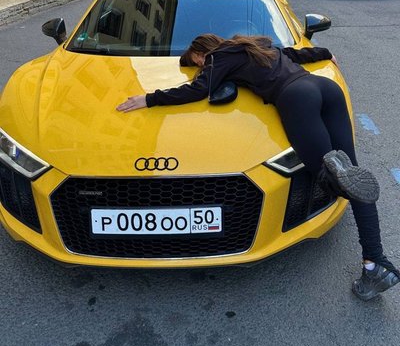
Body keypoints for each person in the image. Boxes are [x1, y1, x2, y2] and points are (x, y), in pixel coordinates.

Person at [116, 34, 400, 301]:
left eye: (196, 62)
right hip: (324, 88)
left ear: (202, 53)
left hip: (296, 97)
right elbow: (296, 54)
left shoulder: (217, 58)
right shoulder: (257, 45)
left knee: (328, 178)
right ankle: (376, 263)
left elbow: (199, 89)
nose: (200, 66)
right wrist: (326, 53)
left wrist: (149, 99)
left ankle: (333, 173)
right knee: (354, 181)